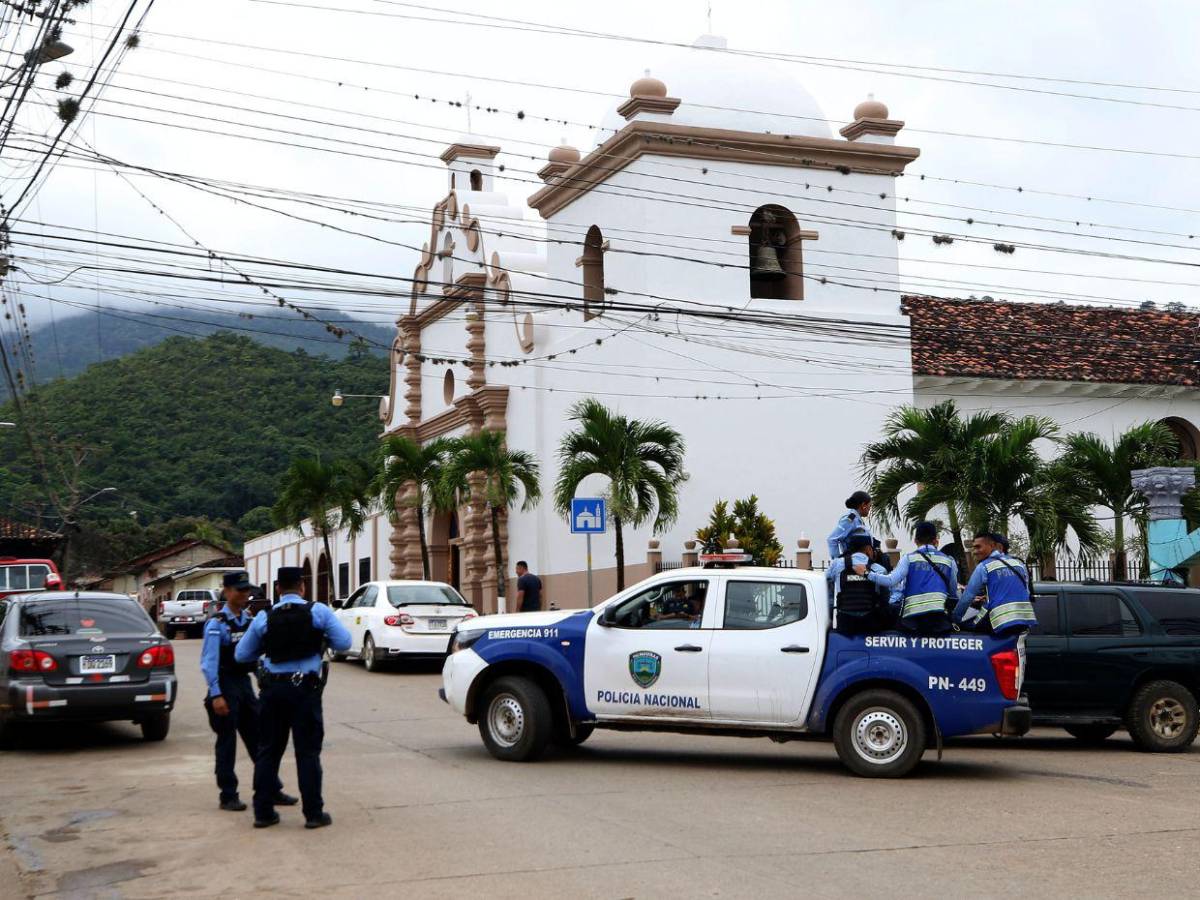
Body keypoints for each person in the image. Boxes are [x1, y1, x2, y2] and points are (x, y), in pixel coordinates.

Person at [235, 566, 351, 829]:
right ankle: (313, 814)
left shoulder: (264, 617)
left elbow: (242, 655)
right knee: (307, 753)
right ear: (302, 586)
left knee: (268, 751)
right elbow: (344, 642)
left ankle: (263, 813)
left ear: (277, 589)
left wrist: (267, 646)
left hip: (273, 691)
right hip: (305, 691)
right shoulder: (318, 612)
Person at [199, 571, 297, 812]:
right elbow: (208, 662)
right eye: (239, 590)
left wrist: (266, 681)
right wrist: (216, 694)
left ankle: (271, 789)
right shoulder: (217, 623)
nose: (245, 594)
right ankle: (228, 794)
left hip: (244, 684)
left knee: (260, 741)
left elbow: (256, 658)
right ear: (227, 591)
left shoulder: (250, 620)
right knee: (227, 743)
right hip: (225, 684)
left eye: (247, 589)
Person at [868, 521, 957, 635]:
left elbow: (890, 581)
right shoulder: (949, 561)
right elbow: (953, 592)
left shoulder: (909, 558)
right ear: (935, 540)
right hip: (939, 620)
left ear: (915, 541)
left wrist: (867, 574)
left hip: (913, 621)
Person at [954, 532, 1037, 636]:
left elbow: (968, 597)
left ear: (992, 546)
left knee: (965, 627)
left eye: (978, 547)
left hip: (1000, 621)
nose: (975, 552)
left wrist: (955, 619)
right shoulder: (1019, 564)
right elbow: (1026, 592)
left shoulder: (984, 566)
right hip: (1024, 622)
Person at [826, 532, 891, 635]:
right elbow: (885, 599)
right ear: (868, 549)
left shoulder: (837, 564)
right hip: (870, 624)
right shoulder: (878, 570)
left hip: (845, 624)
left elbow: (824, 581)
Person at [827, 491, 873, 560]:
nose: (870, 509)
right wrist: (838, 562)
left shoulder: (858, 519)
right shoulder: (850, 520)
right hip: (853, 563)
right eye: (870, 505)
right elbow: (832, 539)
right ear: (864, 505)